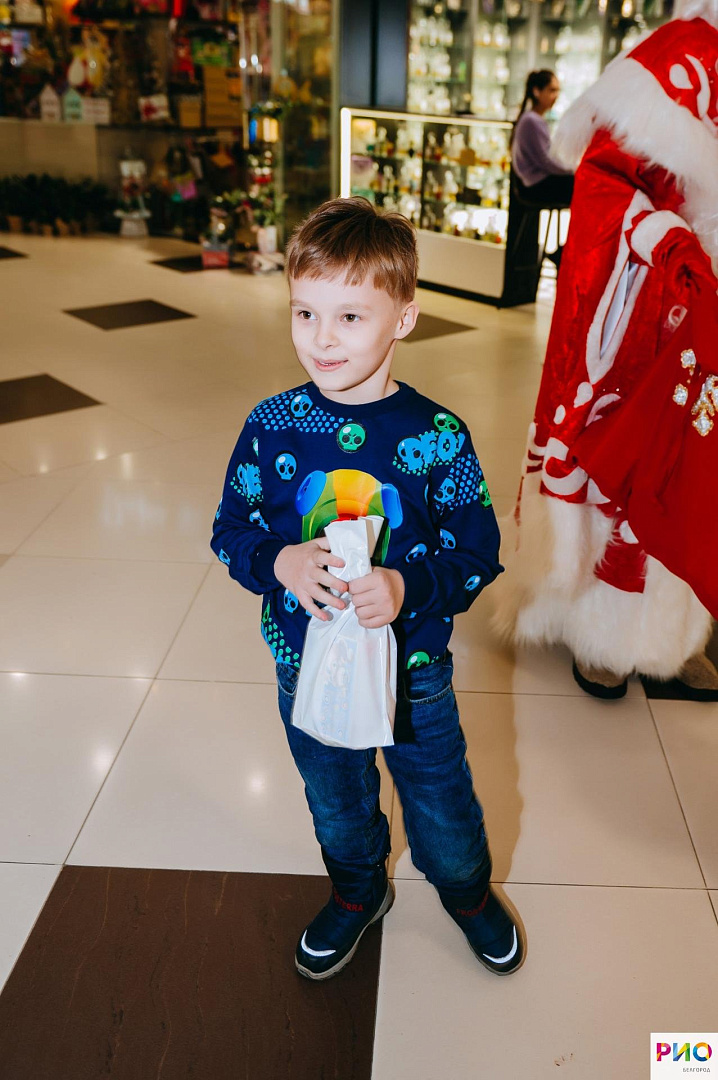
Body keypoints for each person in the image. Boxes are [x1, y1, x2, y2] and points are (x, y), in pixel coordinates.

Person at [211, 196, 525, 981]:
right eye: (305, 313)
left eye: (349, 317)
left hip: (413, 673)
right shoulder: (271, 425)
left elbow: (478, 553)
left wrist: (407, 584)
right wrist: (280, 562)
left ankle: (467, 893)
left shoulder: (438, 437)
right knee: (335, 797)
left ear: (404, 319)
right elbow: (231, 528)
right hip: (305, 662)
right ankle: (357, 891)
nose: (321, 338)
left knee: (441, 799)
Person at [493, 2, 718, 700]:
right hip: (648, 314)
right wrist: (667, 242)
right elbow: (601, 181)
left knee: (698, 469)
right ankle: (604, 635)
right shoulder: (678, 61)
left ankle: (675, 636)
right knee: (625, 458)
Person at [510, 69, 574, 208]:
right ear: (537, 91)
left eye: (557, 91)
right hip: (535, 186)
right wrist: (571, 169)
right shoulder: (532, 120)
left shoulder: (531, 118)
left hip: (532, 183)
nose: (556, 96)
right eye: (551, 90)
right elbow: (546, 160)